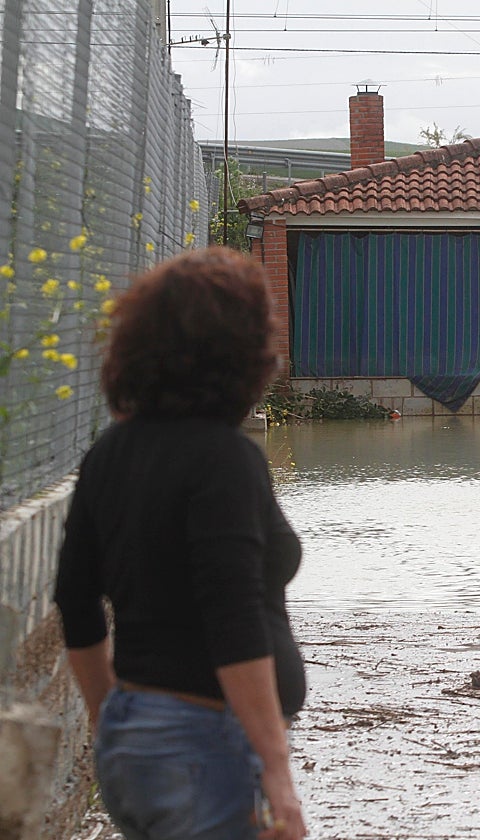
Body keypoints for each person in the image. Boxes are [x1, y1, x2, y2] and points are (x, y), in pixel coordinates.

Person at [54, 247, 307, 840]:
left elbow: (74, 598)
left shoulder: (108, 455)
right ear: (241, 354)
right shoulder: (225, 461)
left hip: (136, 742)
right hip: (207, 746)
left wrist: (108, 717)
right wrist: (275, 768)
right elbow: (233, 615)